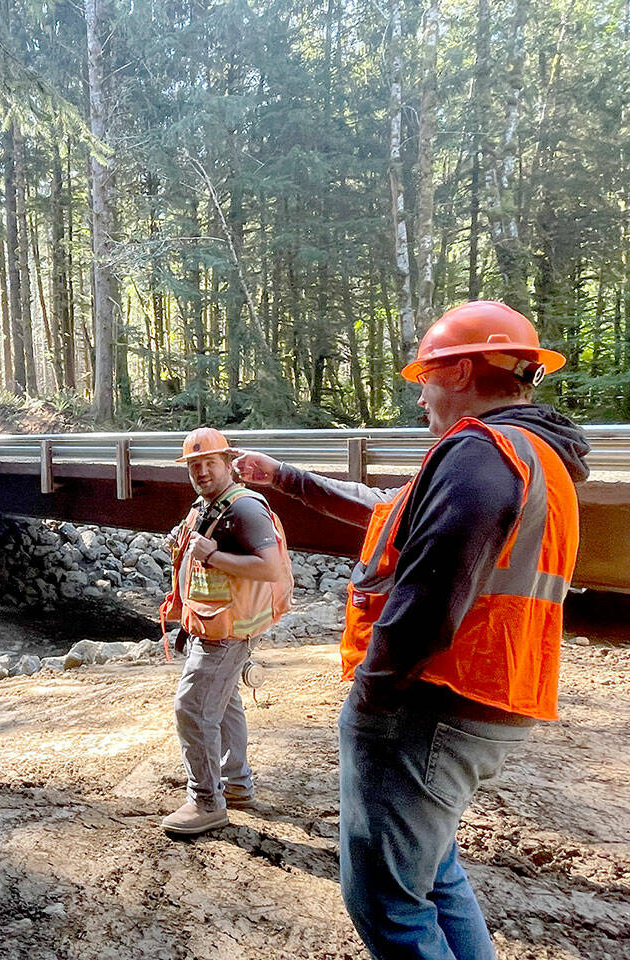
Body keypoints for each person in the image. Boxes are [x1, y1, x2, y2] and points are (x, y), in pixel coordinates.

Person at [231, 301, 588, 959]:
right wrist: (281, 476)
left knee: (388, 904)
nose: (420, 394)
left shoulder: (481, 453)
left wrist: (372, 696)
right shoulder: (525, 455)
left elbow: (429, 597)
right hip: (482, 698)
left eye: (424, 376)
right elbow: (383, 510)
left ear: (456, 371)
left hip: (429, 704)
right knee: (434, 870)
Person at [158, 427, 293, 835]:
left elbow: (270, 568)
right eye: (194, 466)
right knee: (226, 702)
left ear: (227, 463)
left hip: (227, 634)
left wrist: (212, 553)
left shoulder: (243, 509)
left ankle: (206, 802)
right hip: (217, 626)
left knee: (193, 709)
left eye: (209, 463)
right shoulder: (208, 506)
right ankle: (235, 785)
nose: (201, 471)